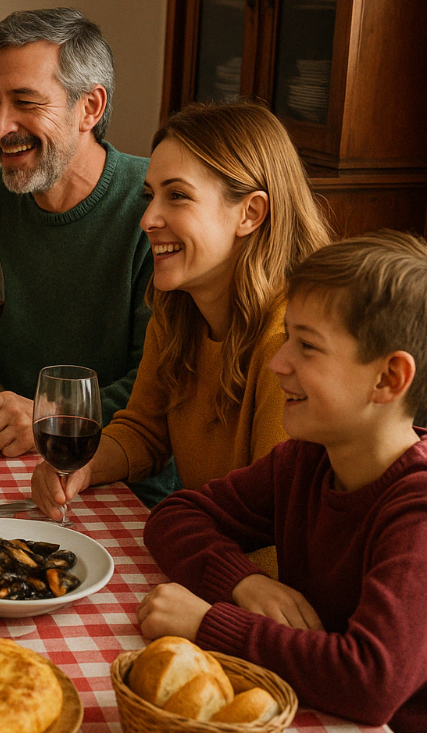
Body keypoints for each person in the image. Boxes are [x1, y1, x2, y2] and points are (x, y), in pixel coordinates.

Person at [136, 232, 427, 732]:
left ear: (388, 379)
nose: (278, 362)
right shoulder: (307, 462)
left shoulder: (417, 510)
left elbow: (369, 682)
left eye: (307, 346)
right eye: (287, 335)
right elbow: (176, 516)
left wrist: (210, 624)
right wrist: (241, 581)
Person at [31, 102, 332, 519]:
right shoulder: (178, 313)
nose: (148, 219)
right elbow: (144, 431)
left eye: (177, 196)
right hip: (207, 546)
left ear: (251, 213)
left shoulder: (286, 347)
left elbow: (277, 529)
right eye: (149, 196)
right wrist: (83, 466)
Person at [0, 8, 153, 457]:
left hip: (112, 472)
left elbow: (160, 390)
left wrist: (50, 415)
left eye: (25, 102)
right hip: (3, 456)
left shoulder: (150, 205)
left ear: (90, 108)